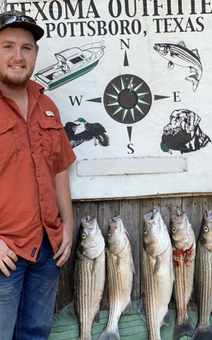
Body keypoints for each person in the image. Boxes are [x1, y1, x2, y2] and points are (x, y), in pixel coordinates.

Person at [0, 10, 76, 340]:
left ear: (35, 54)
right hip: (5, 252)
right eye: (7, 46)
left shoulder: (47, 104)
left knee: (35, 334)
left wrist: (68, 225)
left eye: (26, 48)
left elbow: (58, 167)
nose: (18, 56)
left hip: (47, 249)